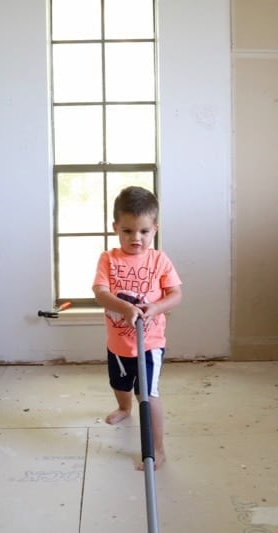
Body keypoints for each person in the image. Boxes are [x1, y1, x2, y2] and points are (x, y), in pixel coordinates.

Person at [92, 186, 183, 470]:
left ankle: (157, 448)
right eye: (128, 231)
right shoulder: (108, 259)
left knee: (148, 392)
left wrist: (154, 309)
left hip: (150, 342)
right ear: (116, 228)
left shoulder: (159, 260)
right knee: (120, 384)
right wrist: (126, 308)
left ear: (154, 229)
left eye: (143, 231)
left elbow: (176, 294)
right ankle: (123, 407)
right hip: (118, 342)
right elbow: (100, 293)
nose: (136, 238)